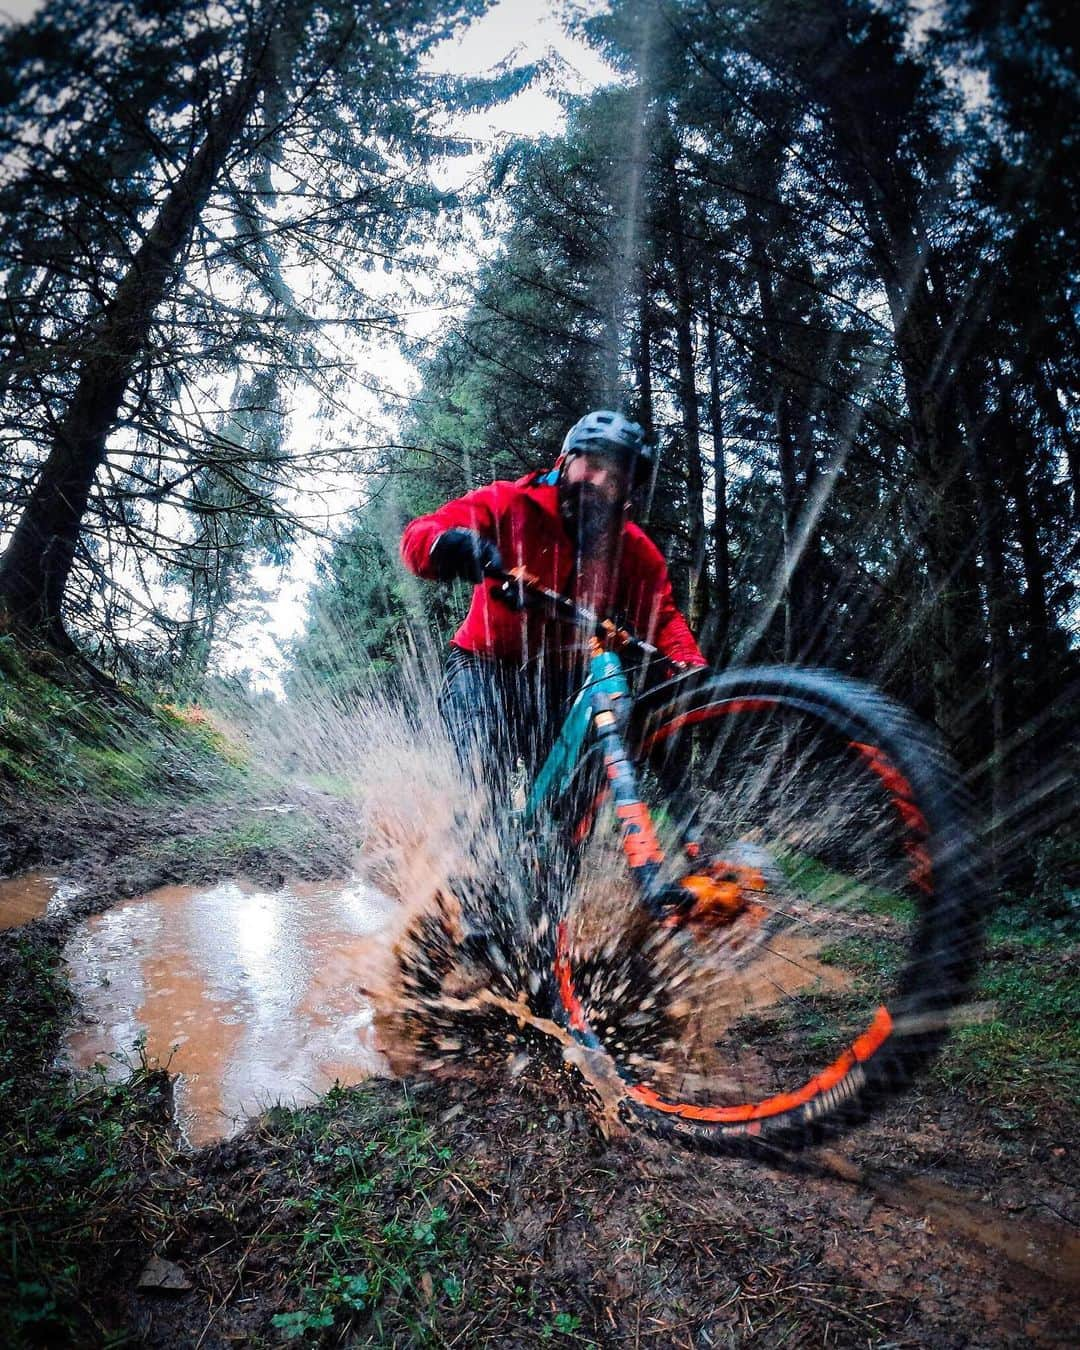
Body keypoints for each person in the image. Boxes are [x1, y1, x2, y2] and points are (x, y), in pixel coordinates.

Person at [400, 410, 707, 778]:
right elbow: (424, 532)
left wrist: (691, 667)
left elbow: (663, 617)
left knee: (576, 797)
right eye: (592, 465)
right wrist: (444, 544)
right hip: (483, 664)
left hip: (563, 680)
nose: (600, 483)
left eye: (616, 478)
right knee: (481, 772)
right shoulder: (508, 502)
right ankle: (463, 826)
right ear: (564, 462)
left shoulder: (632, 550)